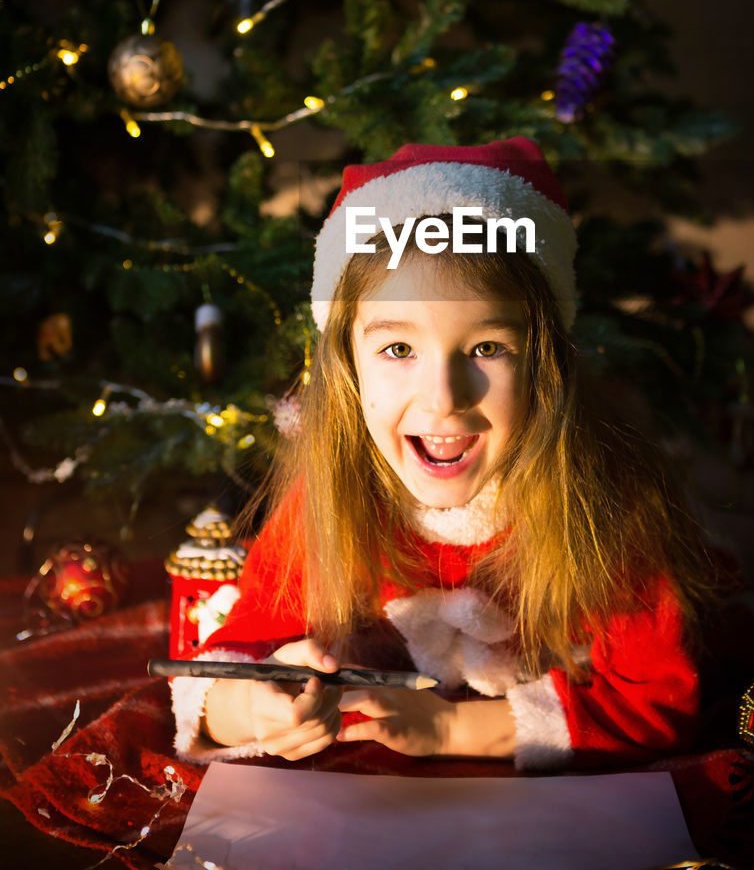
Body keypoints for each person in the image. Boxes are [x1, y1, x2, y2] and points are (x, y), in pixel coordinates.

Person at [171, 137, 713, 772]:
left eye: (487, 347)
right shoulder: (330, 500)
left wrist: (454, 726)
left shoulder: (610, 512)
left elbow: (660, 704)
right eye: (399, 350)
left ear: (545, 366)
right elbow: (232, 660)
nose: (444, 400)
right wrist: (251, 708)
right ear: (348, 371)